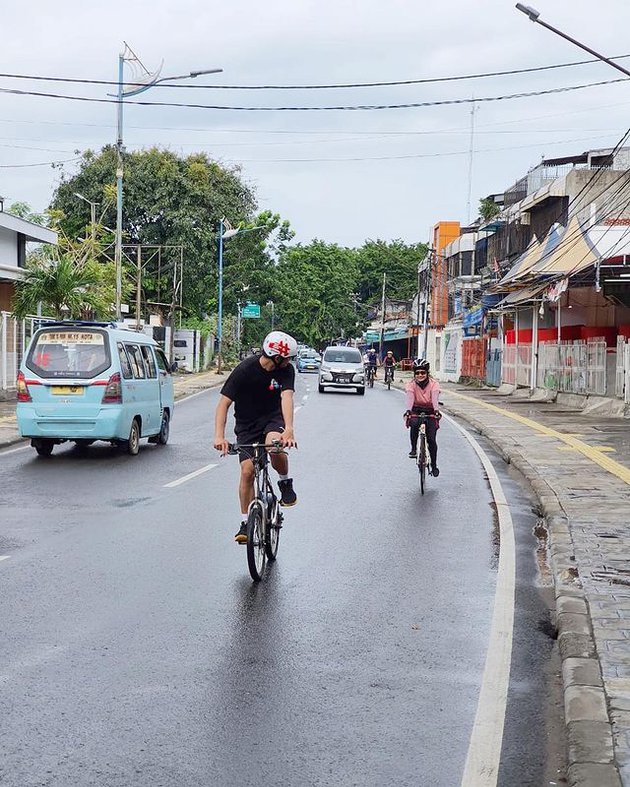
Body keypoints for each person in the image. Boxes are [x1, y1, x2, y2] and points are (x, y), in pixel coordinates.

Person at [214, 330, 298, 544]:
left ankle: (285, 482)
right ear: (276, 357)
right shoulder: (244, 370)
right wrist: (219, 437)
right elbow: (223, 404)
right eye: (287, 358)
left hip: (273, 419)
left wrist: (289, 429)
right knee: (247, 471)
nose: (289, 362)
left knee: (274, 445)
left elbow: (287, 397)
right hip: (247, 424)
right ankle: (245, 522)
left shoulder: (286, 371)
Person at [404, 358, 441, 476]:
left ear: (427, 373)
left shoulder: (434, 384)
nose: (420, 375)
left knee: (431, 440)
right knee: (414, 424)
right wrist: (408, 411)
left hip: (431, 410)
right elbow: (410, 398)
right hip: (416, 409)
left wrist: (436, 411)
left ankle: (434, 465)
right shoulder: (411, 384)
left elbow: (435, 398)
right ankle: (414, 449)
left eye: (423, 373)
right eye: (417, 373)